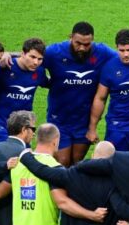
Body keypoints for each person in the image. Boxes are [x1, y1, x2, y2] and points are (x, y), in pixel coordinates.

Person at [42, 22, 116, 166]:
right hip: (59, 119)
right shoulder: (54, 52)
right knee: (62, 162)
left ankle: (74, 188)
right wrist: (7, 55)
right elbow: (31, 58)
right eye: (78, 43)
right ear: (71, 37)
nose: (82, 47)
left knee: (77, 162)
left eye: (87, 44)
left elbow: (124, 56)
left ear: (92, 40)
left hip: (84, 120)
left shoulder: (102, 52)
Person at [0, 38, 47, 144]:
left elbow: (49, 84)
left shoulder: (39, 72)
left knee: (23, 159)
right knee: (4, 158)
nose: (35, 62)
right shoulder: (5, 66)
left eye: (40, 59)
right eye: (32, 57)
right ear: (22, 53)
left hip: (25, 128)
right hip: (2, 127)